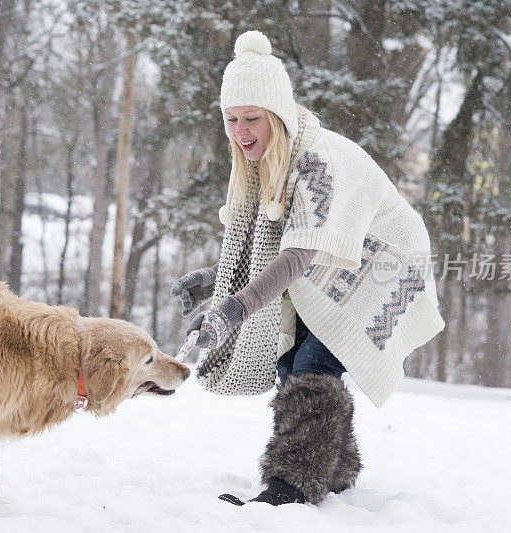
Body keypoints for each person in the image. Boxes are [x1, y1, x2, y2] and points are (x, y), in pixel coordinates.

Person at [171, 30, 445, 506]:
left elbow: (296, 255)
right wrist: (214, 280)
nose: (241, 132)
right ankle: (333, 470)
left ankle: (290, 485)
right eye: (232, 119)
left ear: (277, 114)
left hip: (386, 258)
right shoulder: (261, 165)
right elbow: (267, 244)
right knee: (288, 354)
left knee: (315, 361)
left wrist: (234, 308)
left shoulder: (314, 162)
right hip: (334, 256)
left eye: (252, 118)